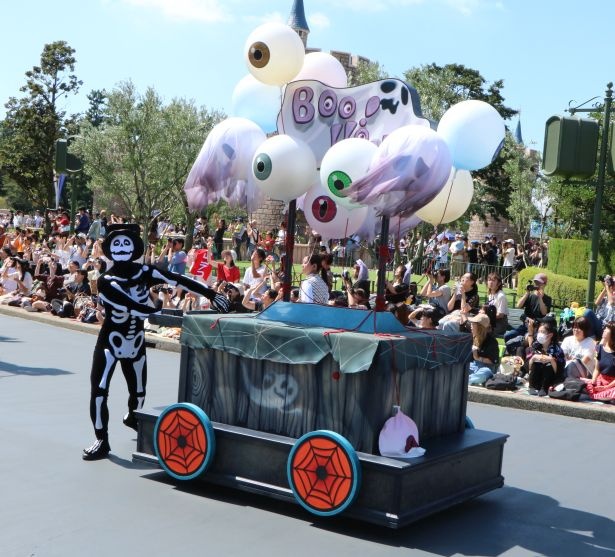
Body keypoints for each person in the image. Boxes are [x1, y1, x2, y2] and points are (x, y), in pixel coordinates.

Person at [82, 223, 230, 461]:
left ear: (135, 247)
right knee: (99, 390)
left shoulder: (144, 272)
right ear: (109, 248)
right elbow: (128, 305)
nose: (121, 248)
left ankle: (133, 417)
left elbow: (176, 278)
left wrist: (211, 293)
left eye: (126, 243)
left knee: (139, 392)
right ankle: (101, 438)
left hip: (136, 341)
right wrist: (155, 311)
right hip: (111, 341)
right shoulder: (105, 280)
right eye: (116, 243)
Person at [504, 272, 552, 345]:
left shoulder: (547, 299)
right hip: (525, 326)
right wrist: (527, 293)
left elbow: (544, 312)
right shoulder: (529, 296)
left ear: (544, 284)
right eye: (536, 282)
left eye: (539, 283)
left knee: (523, 340)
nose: (537, 285)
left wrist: (540, 298)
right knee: (508, 336)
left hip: (537, 329)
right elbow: (518, 305)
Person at [525, 319, 565, 396]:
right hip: (536, 378)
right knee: (536, 363)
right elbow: (528, 367)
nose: (539, 334)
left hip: (550, 379)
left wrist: (551, 360)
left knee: (548, 365)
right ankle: (531, 387)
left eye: (543, 332)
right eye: (539, 331)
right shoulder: (535, 346)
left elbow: (559, 371)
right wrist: (533, 358)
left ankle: (544, 388)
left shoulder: (557, 350)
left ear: (550, 335)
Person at [583, 322, 615, 401]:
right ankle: (602, 397)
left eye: (607, 329)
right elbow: (597, 369)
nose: (604, 330)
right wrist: (593, 381)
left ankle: (604, 397)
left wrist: (606, 387)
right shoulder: (599, 348)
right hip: (601, 380)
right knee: (585, 385)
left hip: (612, 384)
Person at [467, 313, 500, 386]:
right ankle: (470, 379)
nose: (471, 327)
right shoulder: (473, 338)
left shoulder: (491, 342)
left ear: (480, 327)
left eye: (473, 325)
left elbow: (493, 361)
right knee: (462, 366)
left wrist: (477, 357)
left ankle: (467, 379)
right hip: (474, 366)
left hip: (486, 368)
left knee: (486, 372)